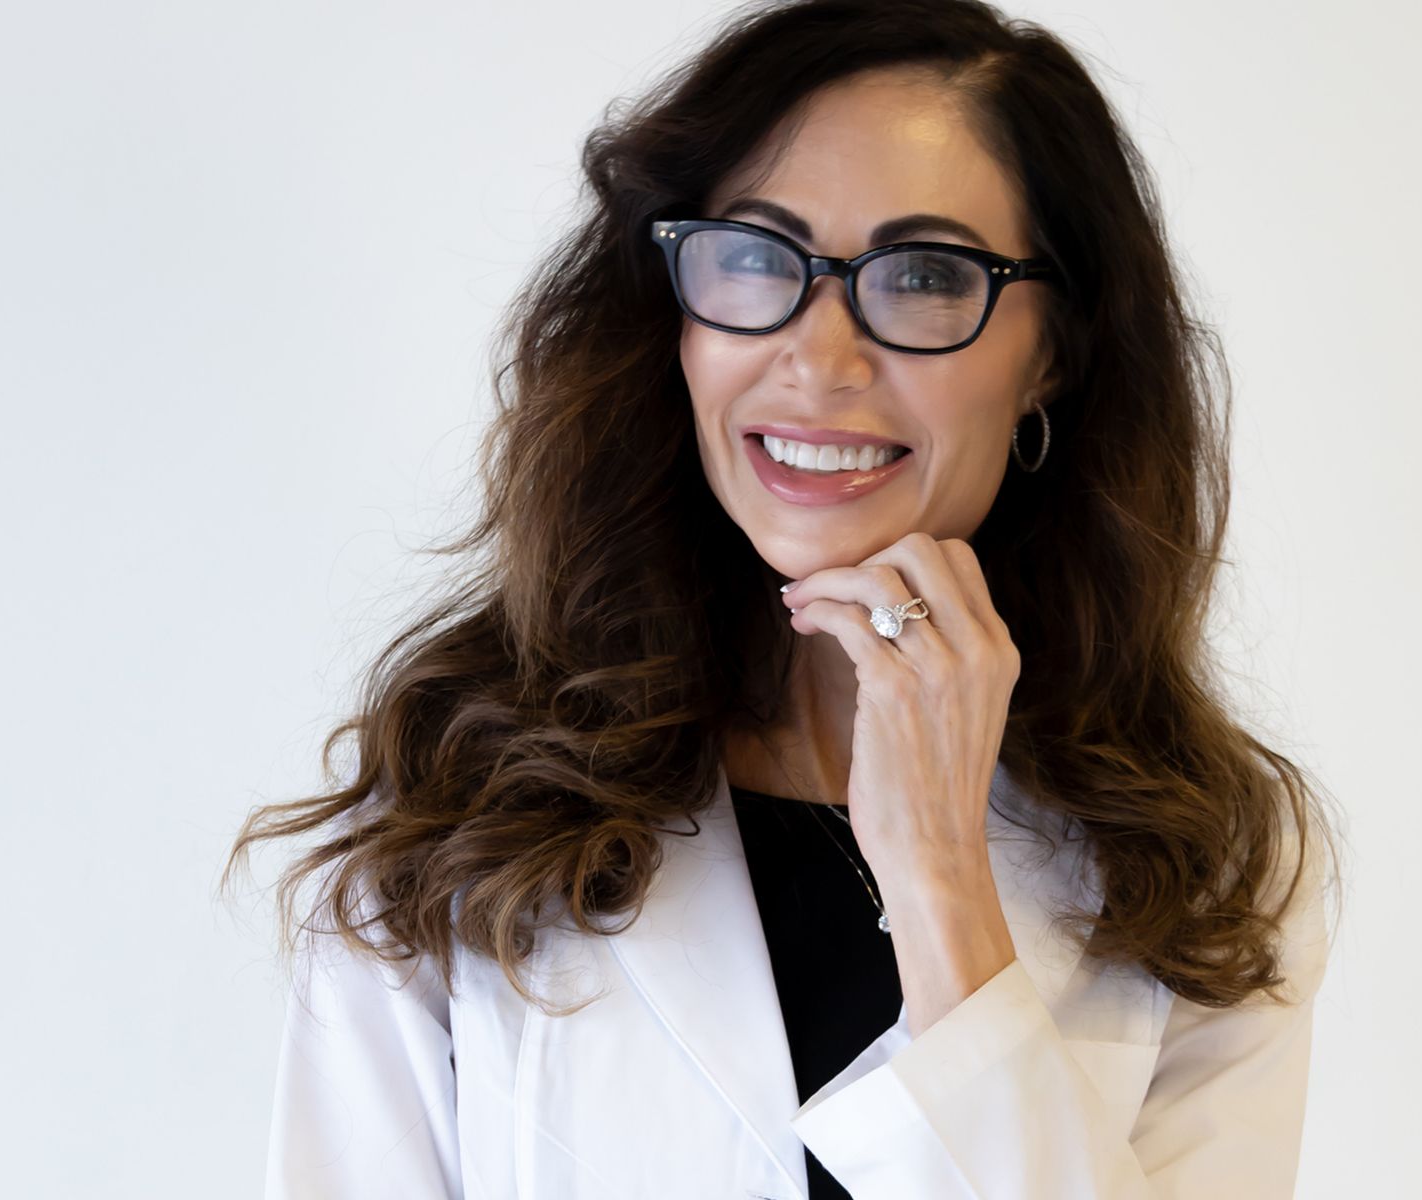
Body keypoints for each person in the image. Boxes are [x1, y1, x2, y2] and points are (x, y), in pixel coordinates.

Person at [224, 1, 1346, 1196]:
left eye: (923, 275)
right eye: (756, 257)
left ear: (1053, 353)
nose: (820, 358)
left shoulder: (1212, 863)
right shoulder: (452, 796)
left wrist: (940, 885)